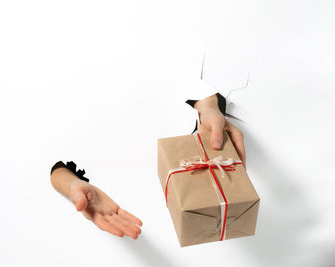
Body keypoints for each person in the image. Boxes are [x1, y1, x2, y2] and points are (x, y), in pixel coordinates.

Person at [50, 88, 246, 240]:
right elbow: (58, 168)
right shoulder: (84, 113)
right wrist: (72, 186)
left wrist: (208, 106)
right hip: (127, 240)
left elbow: (191, 82)